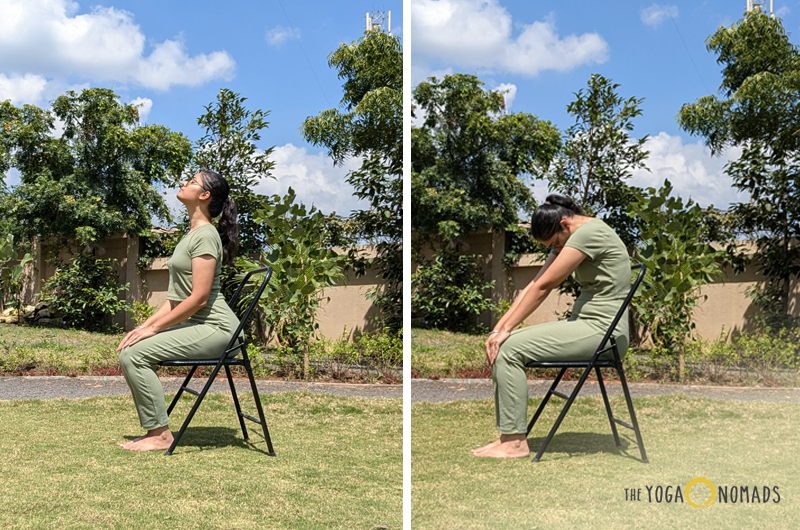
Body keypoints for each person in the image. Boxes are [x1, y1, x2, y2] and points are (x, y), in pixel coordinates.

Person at [473, 194, 631, 458]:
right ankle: (508, 438)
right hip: (585, 327)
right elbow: (533, 285)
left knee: (510, 349)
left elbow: (545, 287)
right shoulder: (573, 235)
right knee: (504, 342)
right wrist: (498, 329)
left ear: (565, 224)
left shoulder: (589, 233)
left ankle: (514, 443)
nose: (556, 250)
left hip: (605, 334)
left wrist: (506, 333)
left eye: (555, 244)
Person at [116, 169, 240, 451]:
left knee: (135, 354)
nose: (184, 183)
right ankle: (155, 430)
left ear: (204, 195)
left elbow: (198, 299)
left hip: (219, 331)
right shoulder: (193, 235)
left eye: (192, 182)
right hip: (202, 327)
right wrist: (144, 327)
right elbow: (175, 299)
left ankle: (159, 434)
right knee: (131, 348)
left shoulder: (206, 236)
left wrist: (154, 329)